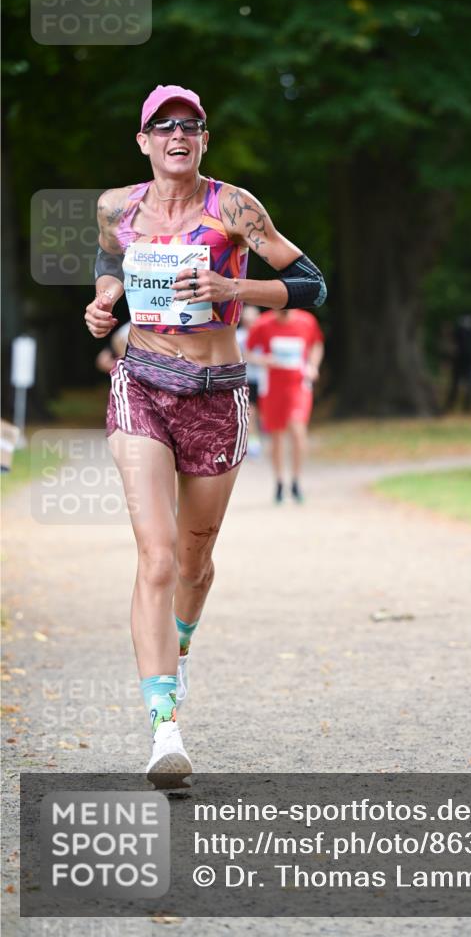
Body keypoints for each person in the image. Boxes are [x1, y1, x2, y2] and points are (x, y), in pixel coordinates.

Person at [83, 84, 326, 786]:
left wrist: (232, 291)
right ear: (144, 142)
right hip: (144, 385)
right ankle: (164, 729)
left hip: (217, 395)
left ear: (204, 139)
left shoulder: (234, 208)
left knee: (193, 561)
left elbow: (311, 284)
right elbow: (109, 267)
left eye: (189, 126)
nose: (177, 136)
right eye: (163, 128)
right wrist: (104, 304)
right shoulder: (116, 207)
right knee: (155, 558)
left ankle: (178, 646)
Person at [246, 308, 324, 503]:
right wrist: (264, 360)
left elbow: (317, 344)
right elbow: (247, 352)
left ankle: (296, 481)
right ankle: (280, 482)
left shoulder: (306, 321)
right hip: (273, 388)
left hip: (299, 386)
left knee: (298, 430)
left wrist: (313, 366)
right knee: (277, 436)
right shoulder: (263, 323)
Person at [235, 304, 263, 457]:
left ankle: (265, 438)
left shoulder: (264, 333)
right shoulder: (239, 337)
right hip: (247, 378)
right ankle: (253, 442)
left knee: (263, 412)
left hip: (266, 378)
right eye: (247, 319)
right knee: (250, 410)